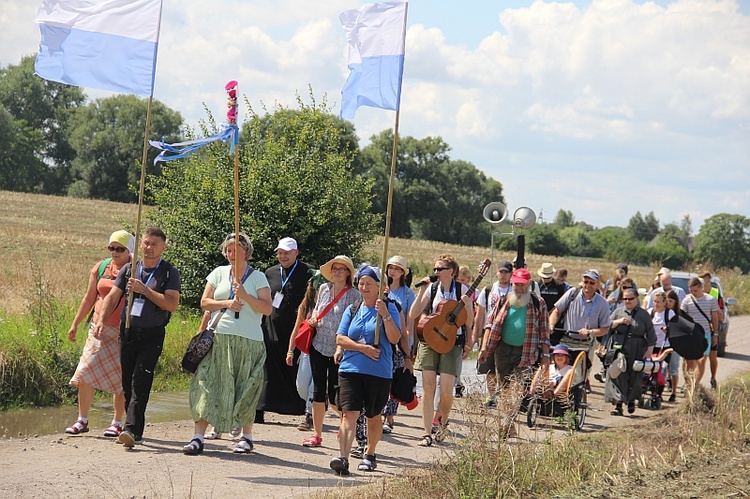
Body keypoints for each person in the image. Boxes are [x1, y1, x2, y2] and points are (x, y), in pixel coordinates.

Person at [182, 233, 273, 455]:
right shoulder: (218, 273)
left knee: (245, 388)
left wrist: (245, 296)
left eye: (236, 250)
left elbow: (267, 309)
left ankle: (246, 437)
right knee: (206, 384)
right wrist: (226, 302)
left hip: (249, 342)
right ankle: (197, 438)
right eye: (228, 250)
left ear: (246, 252)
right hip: (219, 340)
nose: (231, 254)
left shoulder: (258, 277)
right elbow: (205, 302)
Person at [94, 227, 181, 448]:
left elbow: (171, 304)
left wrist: (144, 290)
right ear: (140, 245)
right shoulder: (129, 269)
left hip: (152, 334)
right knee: (126, 382)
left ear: (163, 247)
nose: (149, 247)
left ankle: (131, 429)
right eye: (145, 243)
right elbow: (112, 298)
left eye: (154, 244)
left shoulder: (170, 273)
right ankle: (134, 427)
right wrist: (102, 321)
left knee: (140, 380)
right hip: (128, 331)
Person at [329, 265, 402, 476]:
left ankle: (370, 454)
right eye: (361, 283)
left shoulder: (390, 308)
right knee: (348, 413)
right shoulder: (352, 308)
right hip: (350, 368)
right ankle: (343, 457)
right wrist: (363, 349)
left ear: (380, 287)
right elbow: (340, 338)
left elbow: (395, 338)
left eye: (369, 284)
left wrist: (385, 315)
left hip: (378, 371)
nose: (364, 287)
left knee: (373, 415)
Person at [65, 230, 134, 437]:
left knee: (121, 378)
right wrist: (75, 324)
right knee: (85, 372)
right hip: (98, 329)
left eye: (120, 248)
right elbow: (89, 298)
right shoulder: (102, 267)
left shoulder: (136, 269)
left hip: (124, 332)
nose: (115, 252)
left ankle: (117, 422)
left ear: (129, 250)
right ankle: (82, 420)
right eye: (111, 248)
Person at [409, 254, 473, 447]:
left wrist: (468, 306)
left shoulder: (463, 289)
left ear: (451, 271)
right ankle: (426, 433)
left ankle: (443, 421)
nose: (435, 272)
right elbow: (413, 314)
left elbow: (468, 323)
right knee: (428, 388)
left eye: (440, 269)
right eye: (435, 269)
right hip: (430, 339)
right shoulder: (432, 288)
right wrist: (421, 292)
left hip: (452, 342)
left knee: (446, 391)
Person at [302, 255, 360, 448]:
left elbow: (353, 323)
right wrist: (313, 319)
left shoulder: (354, 295)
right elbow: (317, 309)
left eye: (341, 269)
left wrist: (342, 346)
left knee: (337, 392)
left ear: (348, 273)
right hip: (318, 344)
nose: (337, 272)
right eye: (334, 269)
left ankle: (349, 424)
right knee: (318, 391)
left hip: (340, 349)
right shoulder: (324, 289)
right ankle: (317, 434)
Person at [256, 237, 310, 425]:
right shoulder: (269, 273)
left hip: (296, 330)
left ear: (296, 252)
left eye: (287, 252)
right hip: (271, 328)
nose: (283, 256)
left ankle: (302, 409)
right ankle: (259, 410)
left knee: (296, 369)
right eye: (280, 252)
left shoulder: (308, 272)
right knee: (266, 369)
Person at [478, 268, 551, 398]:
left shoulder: (538, 303)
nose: (519, 288)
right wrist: (484, 348)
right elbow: (489, 325)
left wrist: (545, 356)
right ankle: (507, 415)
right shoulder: (503, 300)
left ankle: (511, 413)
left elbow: (544, 332)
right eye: (516, 284)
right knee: (504, 388)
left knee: (518, 386)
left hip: (526, 352)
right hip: (503, 351)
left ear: (529, 284)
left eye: (522, 284)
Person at [548, 270, 611, 390]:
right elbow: (557, 311)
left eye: (591, 283)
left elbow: (605, 329)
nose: (588, 285)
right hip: (567, 339)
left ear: (597, 284)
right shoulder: (572, 293)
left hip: (586, 344)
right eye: (585, 282)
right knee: (556, 368)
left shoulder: (602, 303)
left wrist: (590, 332)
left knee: (578, 377)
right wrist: (551, 324)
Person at [605, 287, 656, 416]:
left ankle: (631, 399)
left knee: (634, 375)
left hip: (637, 348)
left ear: (637, 299)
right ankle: (618, 404)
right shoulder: (618, 312)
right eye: (625, 298)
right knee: (618, 373)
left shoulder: (643, 315)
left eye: (630, 298)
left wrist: (649, 351)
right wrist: (618, 322)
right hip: (619, 347)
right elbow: (607, 325)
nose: (627, 301)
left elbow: (651, 333)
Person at [286, 269, 326, 432]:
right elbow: (297, 329)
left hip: (323, 350)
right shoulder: (306, 305)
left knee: (314, 386)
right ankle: (316, 404)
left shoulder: (332, 303)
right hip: (307, 350)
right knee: (301, 385)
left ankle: (309, 414)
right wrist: (290, 351)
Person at [380, 255, 416, 435]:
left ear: (403, 272)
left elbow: (410, 320)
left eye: (396, 268)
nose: (392, 271)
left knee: (395, 378)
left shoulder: (408, 294)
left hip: (400, 341)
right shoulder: (382, 290)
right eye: (390, 267)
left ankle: (389, 417)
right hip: (382, 339)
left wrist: (407, 345)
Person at [472, 260, 513, 406]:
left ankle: (504, 395)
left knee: (504, 367)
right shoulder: (489, 290)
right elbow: (480, 314)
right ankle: (491, 397)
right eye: (501, 272)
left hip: (507, 332)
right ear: (497, 272)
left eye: (506, 272)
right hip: (490, 331)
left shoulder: (515, 290)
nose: (503, 275)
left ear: (511, 274)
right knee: (489, 368)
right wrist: (475, 335)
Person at [681, 276, 719, 388]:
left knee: (702, 360)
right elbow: (682, 318)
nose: (693, 293)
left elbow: (714, 318)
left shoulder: (711, 300)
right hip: (690, 335)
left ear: (701, 288)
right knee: (689, 361)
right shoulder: (687, 300)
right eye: (691, 290)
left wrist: (715, 334)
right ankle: (689, 383)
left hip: (705, 334)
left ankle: (695, 385)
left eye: (695, 290)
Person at [648, 290, 679, 403]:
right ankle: (653, 391)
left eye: (659, 302)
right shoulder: (650, 312)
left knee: (662, 370)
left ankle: (659, 393)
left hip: (665, 346)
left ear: (664, 302)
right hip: (652, 345)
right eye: (655, 301)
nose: (656, 304)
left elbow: (675, 329)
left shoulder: (669, 314)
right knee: (651, 369)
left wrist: (668, 331)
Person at [698, 271, 724, 386]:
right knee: (697, 357)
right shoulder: (697, 293)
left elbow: (721, 315)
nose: (704, 281)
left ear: (709, 280)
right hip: (699, 329)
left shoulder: (715, 293)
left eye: (706, 279)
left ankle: (713, 378)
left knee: (712, 356)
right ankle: (694, 381)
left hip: (712, 329)